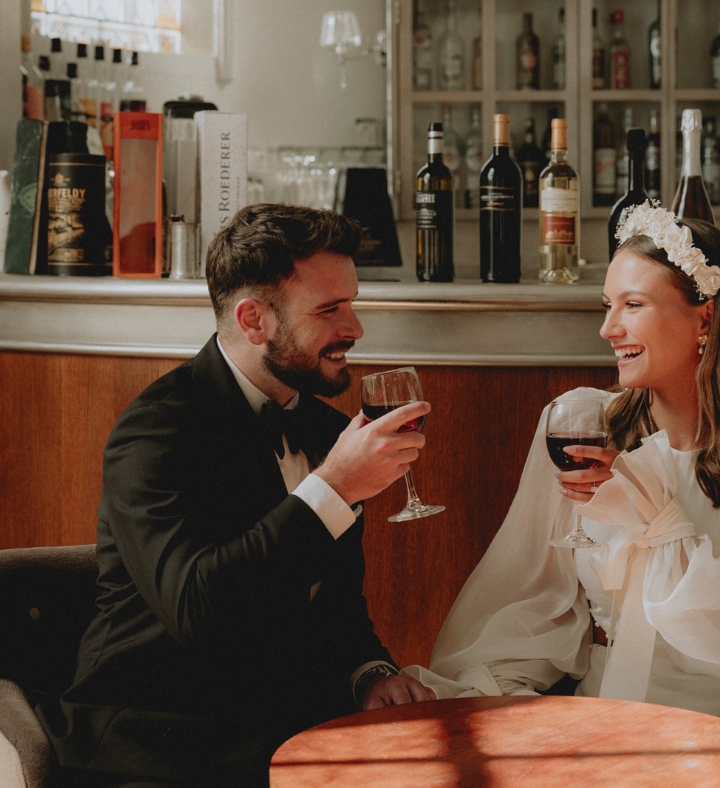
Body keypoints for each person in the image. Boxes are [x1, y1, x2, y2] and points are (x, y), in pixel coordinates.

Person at [404, 201, 720, 787]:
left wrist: (651, 509)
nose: (608, 328)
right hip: (608, 716)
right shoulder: (581, 426)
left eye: (632, 306)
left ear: (705, 319)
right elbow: (525, 598)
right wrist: (490, 700)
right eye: (607, 305)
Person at [37, 204, 436, 787]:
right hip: (155, 738)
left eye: (351, 304)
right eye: (330, 310)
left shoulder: (328, 432)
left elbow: (332, 606)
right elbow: (200, 612)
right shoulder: (155, 432)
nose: (354, 329)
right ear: (254, 320)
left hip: (283, 725)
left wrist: (370, 673)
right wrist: (334, 488)